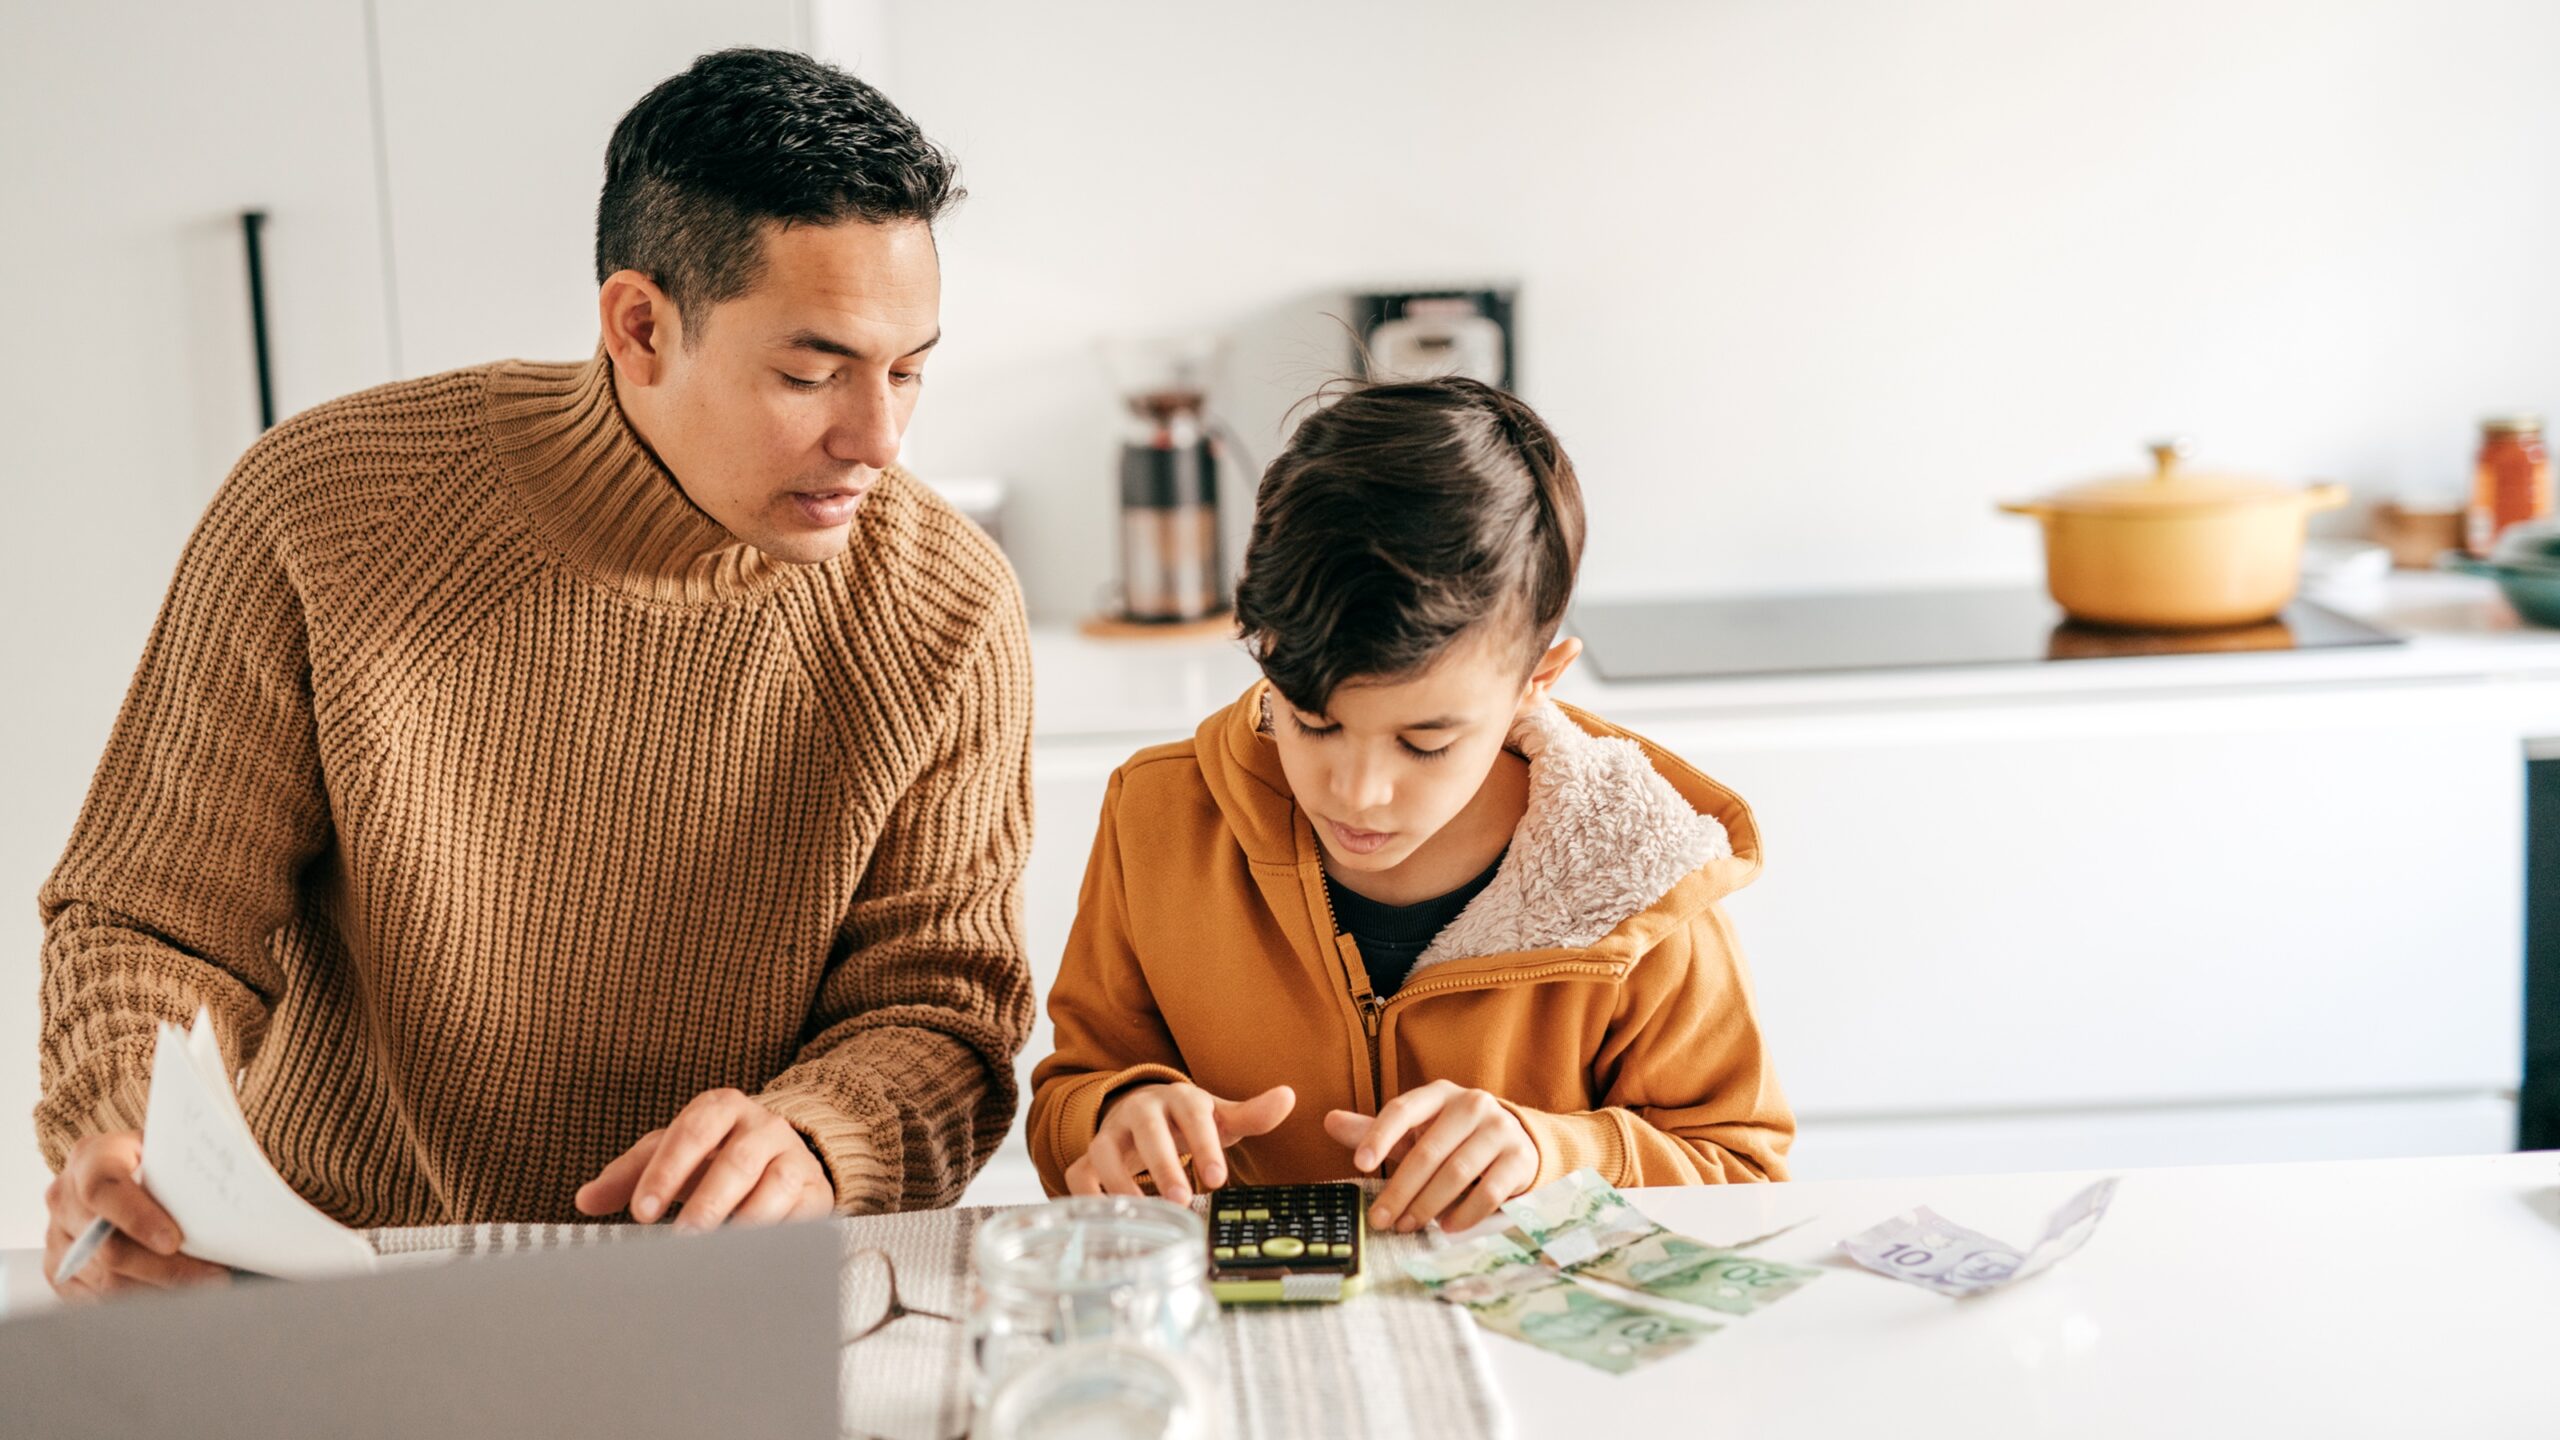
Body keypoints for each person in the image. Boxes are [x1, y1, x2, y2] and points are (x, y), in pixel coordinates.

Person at [37, 48, 1033, 1300]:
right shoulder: (328, 511)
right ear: (640, 325)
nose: (878, 438)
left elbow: (942, 1010)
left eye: (908, 368)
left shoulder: (946, 608)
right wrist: (129, 1154)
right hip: (329, 1279)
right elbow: (152, 920)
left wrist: (816, 1142)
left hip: (725, 1292)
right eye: (810, 372)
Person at [1028, 377, 1791, 1236]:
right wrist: (1117, 1113)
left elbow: (1742, 1168)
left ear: (1536, 684)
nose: (1355, 793)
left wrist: (1554, 1154)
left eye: (1424, 744)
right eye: (1310, 721)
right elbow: (1071, 1097)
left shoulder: (1641, 877)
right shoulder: (1157, 815)